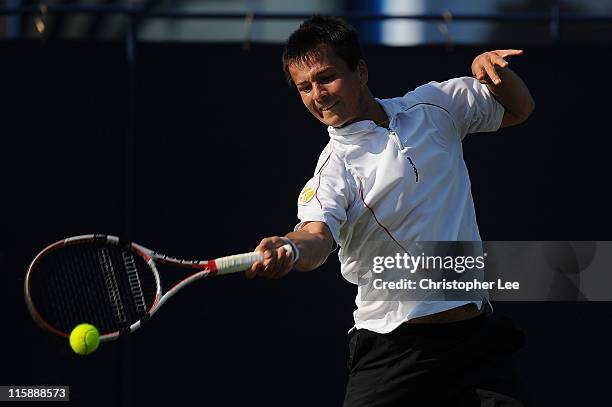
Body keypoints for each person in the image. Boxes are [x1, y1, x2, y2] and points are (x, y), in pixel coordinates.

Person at [246, 15, 534, 407]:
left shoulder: (435, 106)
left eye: (327, 77)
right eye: (304, 87)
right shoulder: (334, 168)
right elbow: (315, 235)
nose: (318, 94)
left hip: (474, 341)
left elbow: (520, 109)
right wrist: (291, 249)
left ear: (361, 71)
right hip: (394, 350)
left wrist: (496, 74)